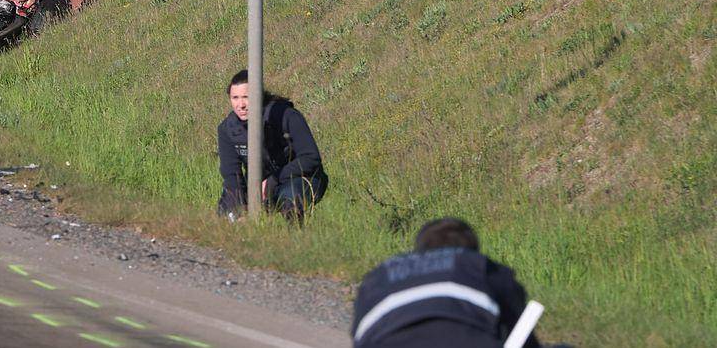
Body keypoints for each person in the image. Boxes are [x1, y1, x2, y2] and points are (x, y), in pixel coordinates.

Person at [352, 218, 542, 348]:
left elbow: (361, 337)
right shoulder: (478, 266)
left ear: (419, 251)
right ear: (470, 251)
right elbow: (521, 333)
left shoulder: (379, 276)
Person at [216, 68, 327, 219]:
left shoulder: (287, 116)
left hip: (297, 179)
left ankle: (294, 240)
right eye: (235, 98)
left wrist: (273, 181)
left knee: (290, 199)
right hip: (257, 185)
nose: (240, 104)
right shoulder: (227, 129)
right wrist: (239, 208)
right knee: (228, 210)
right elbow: (231, 175)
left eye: (246, 97)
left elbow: (311, 158)